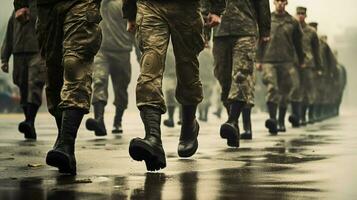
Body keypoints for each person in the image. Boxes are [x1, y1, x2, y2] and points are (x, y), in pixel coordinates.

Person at [123, 0, 225, 171]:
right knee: (149, 67)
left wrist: (216, 9)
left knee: (187, 70)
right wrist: (130, 11)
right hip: (150, 6)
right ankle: (153, 137)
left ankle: (188, 126)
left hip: (187, 8)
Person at [14, 0, 102, 175]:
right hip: (46, 7)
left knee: (74, 63)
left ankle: (66, 144)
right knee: (53, 75)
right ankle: (63, 139)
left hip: (81, 4)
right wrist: (21, 3)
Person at [212, 0, 271, 144]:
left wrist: (265, 30)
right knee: (223, 78)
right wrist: (204, 31)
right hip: (220, 31)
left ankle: (232, 120)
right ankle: (234, 126)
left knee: (241, 75)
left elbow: (262, 4)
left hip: (246, 30)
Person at [86, 0, 140, 136]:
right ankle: (99, 120)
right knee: (99, 81)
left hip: (122, 52)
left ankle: (118, 120)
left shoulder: (127, 4)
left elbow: (134, 28)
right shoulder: (100, 3)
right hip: (102, 50)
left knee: (121, 90)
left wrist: (140, 56)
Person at [256, 0, 304, 135]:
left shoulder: (292, 22)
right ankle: (272, 119)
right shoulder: (267, 19)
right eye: (278, 1)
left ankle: (281, 120)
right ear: (274, 2)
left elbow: (298, 43)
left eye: (283, 1)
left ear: (286, 3)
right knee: (273, 87)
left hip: (287, 61)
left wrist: (301, 60)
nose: (280, 4)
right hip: (268, 59)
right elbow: (259, 40)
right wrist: (258, 59)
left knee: (284, 91)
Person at [1, 1, 45, 140]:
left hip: (37, 52)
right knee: (23, 88)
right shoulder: (16, 11)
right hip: (19, 53)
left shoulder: (41, 8)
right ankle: (29, 122)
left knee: (35, 85)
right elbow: (8, 36)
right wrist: (4, 58)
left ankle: (30, 121)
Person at [295, 7, 321, 126]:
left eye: (302, 14)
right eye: (298, 13)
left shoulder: (311, 31)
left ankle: (305, 116)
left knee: (306, 91)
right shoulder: (292, 29)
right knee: (295, 89)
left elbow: (316, 51)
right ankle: (297, 116)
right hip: (294, 64)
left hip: (308, 65)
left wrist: (319, 67)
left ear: (306, 16)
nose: (300, 16)